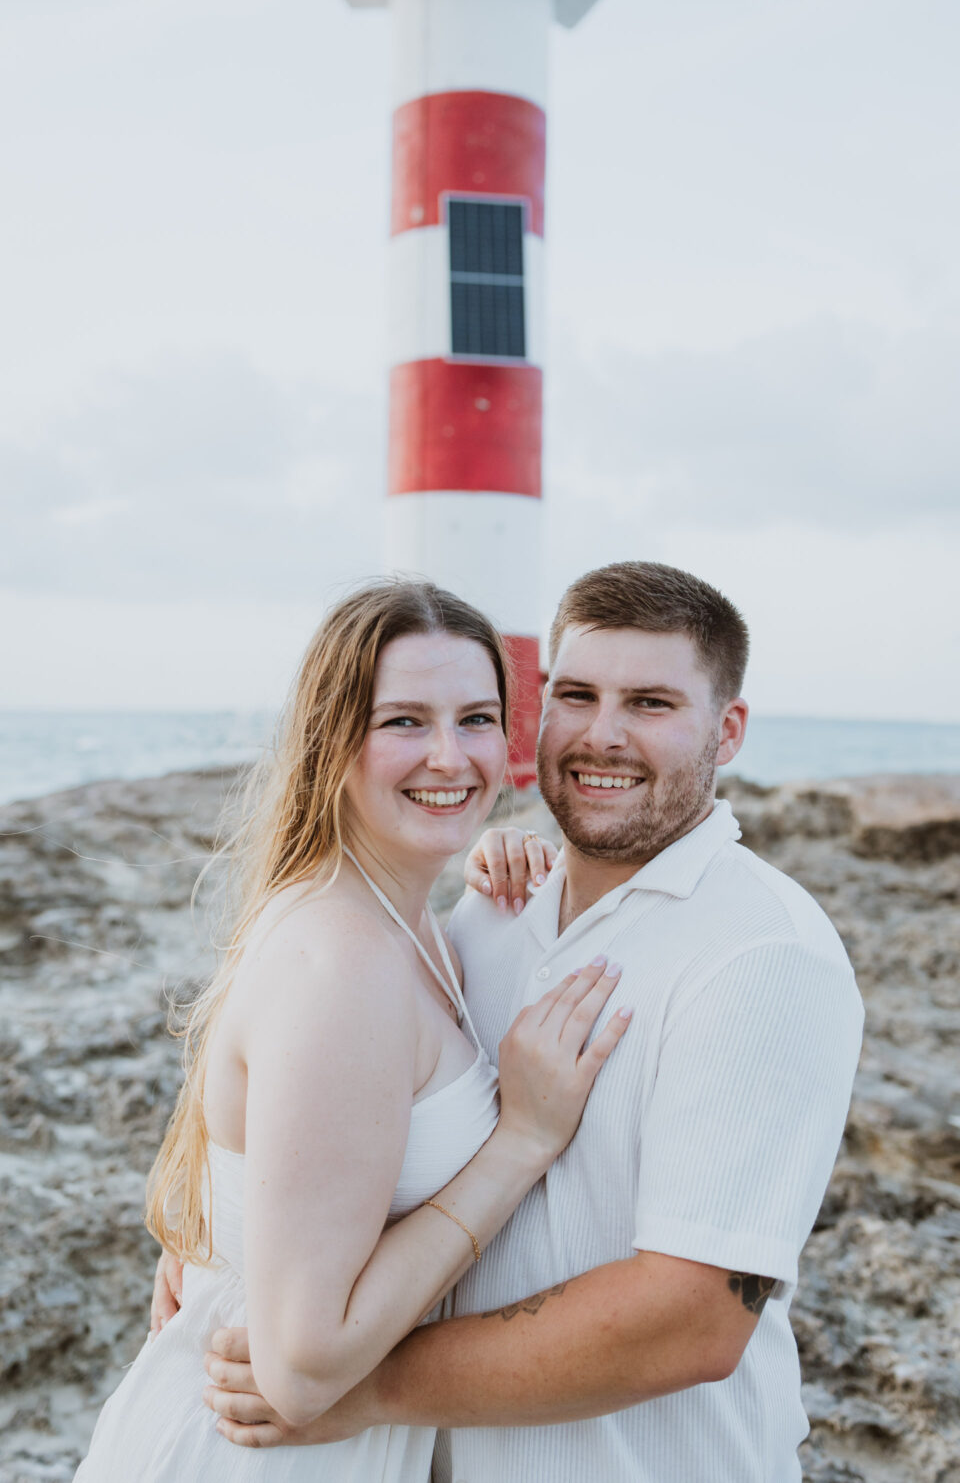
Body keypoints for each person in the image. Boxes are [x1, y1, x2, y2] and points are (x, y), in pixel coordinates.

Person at [188, 561, 865, 1483]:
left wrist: (368, 1388)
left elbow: (693, 1319)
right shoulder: (485, 914)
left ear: (729, 729)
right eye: (576, 695)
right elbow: (320, 1110)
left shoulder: (762, 955)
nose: (603, 736)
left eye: (653, 703)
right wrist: (217, 1247)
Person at [73, 579, 632, 1483]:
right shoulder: (345, 963)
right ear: (333, 738)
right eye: (404, 721)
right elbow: (299, 1368)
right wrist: (521, 1141)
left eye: (478, 719)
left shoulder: (405, 924)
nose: (450, 757)